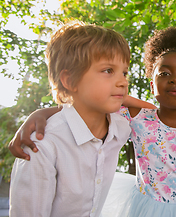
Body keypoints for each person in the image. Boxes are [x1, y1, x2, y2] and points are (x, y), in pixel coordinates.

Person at [8, 25, 176, 217]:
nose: (175, 80)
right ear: (151, 85)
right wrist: (41, 113)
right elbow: (83, 106)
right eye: (165, 73)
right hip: (145, 208)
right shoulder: (136, 119)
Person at [9, 21, 137, 216]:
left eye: (124, 72)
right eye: (108, 71)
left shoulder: (120, 127)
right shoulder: (42, 146)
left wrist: (44, 111)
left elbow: (156, 112)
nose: (123, 82)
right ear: (69, 80)